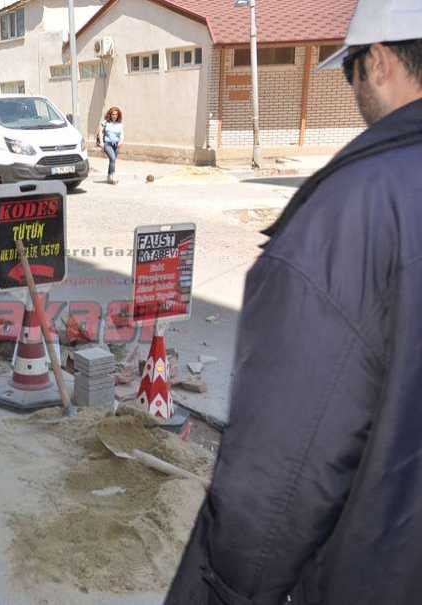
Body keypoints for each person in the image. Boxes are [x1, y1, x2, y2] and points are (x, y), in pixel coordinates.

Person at [166, 0, 422, 602]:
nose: (352, 87)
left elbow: (280, 478)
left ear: (379, 62)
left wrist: (221, 590)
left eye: (349, 70)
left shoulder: (351, 211)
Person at [97, 107, 123, 185]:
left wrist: (121, 142)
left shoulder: (120, 124)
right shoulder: (105, 122)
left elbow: (121, 135)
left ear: (118, 115)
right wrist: (101, 142)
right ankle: (113, 176)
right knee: (112, 158)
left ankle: (109, 177)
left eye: (116, 114)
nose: (114, 116)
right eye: (113, 114)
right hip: (107, 144)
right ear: (110, 114)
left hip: (116, 145)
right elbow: (100, 132)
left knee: (112, 160)